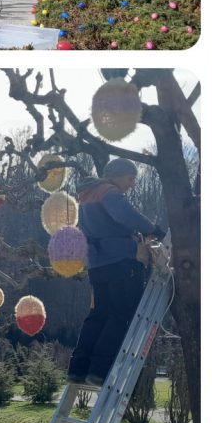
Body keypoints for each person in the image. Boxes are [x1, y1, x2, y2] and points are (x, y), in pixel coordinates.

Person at [67, 158, 165, 391]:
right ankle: (100, 371)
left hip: (98, 264)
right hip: (121, 261)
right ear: (117, 176)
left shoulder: (87, 196)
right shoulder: (109, 193)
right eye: (130, 179)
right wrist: (153, 230)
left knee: (99, 314)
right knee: (121, 314)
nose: (131, 185)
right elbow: (125, 215)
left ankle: (78, 368)